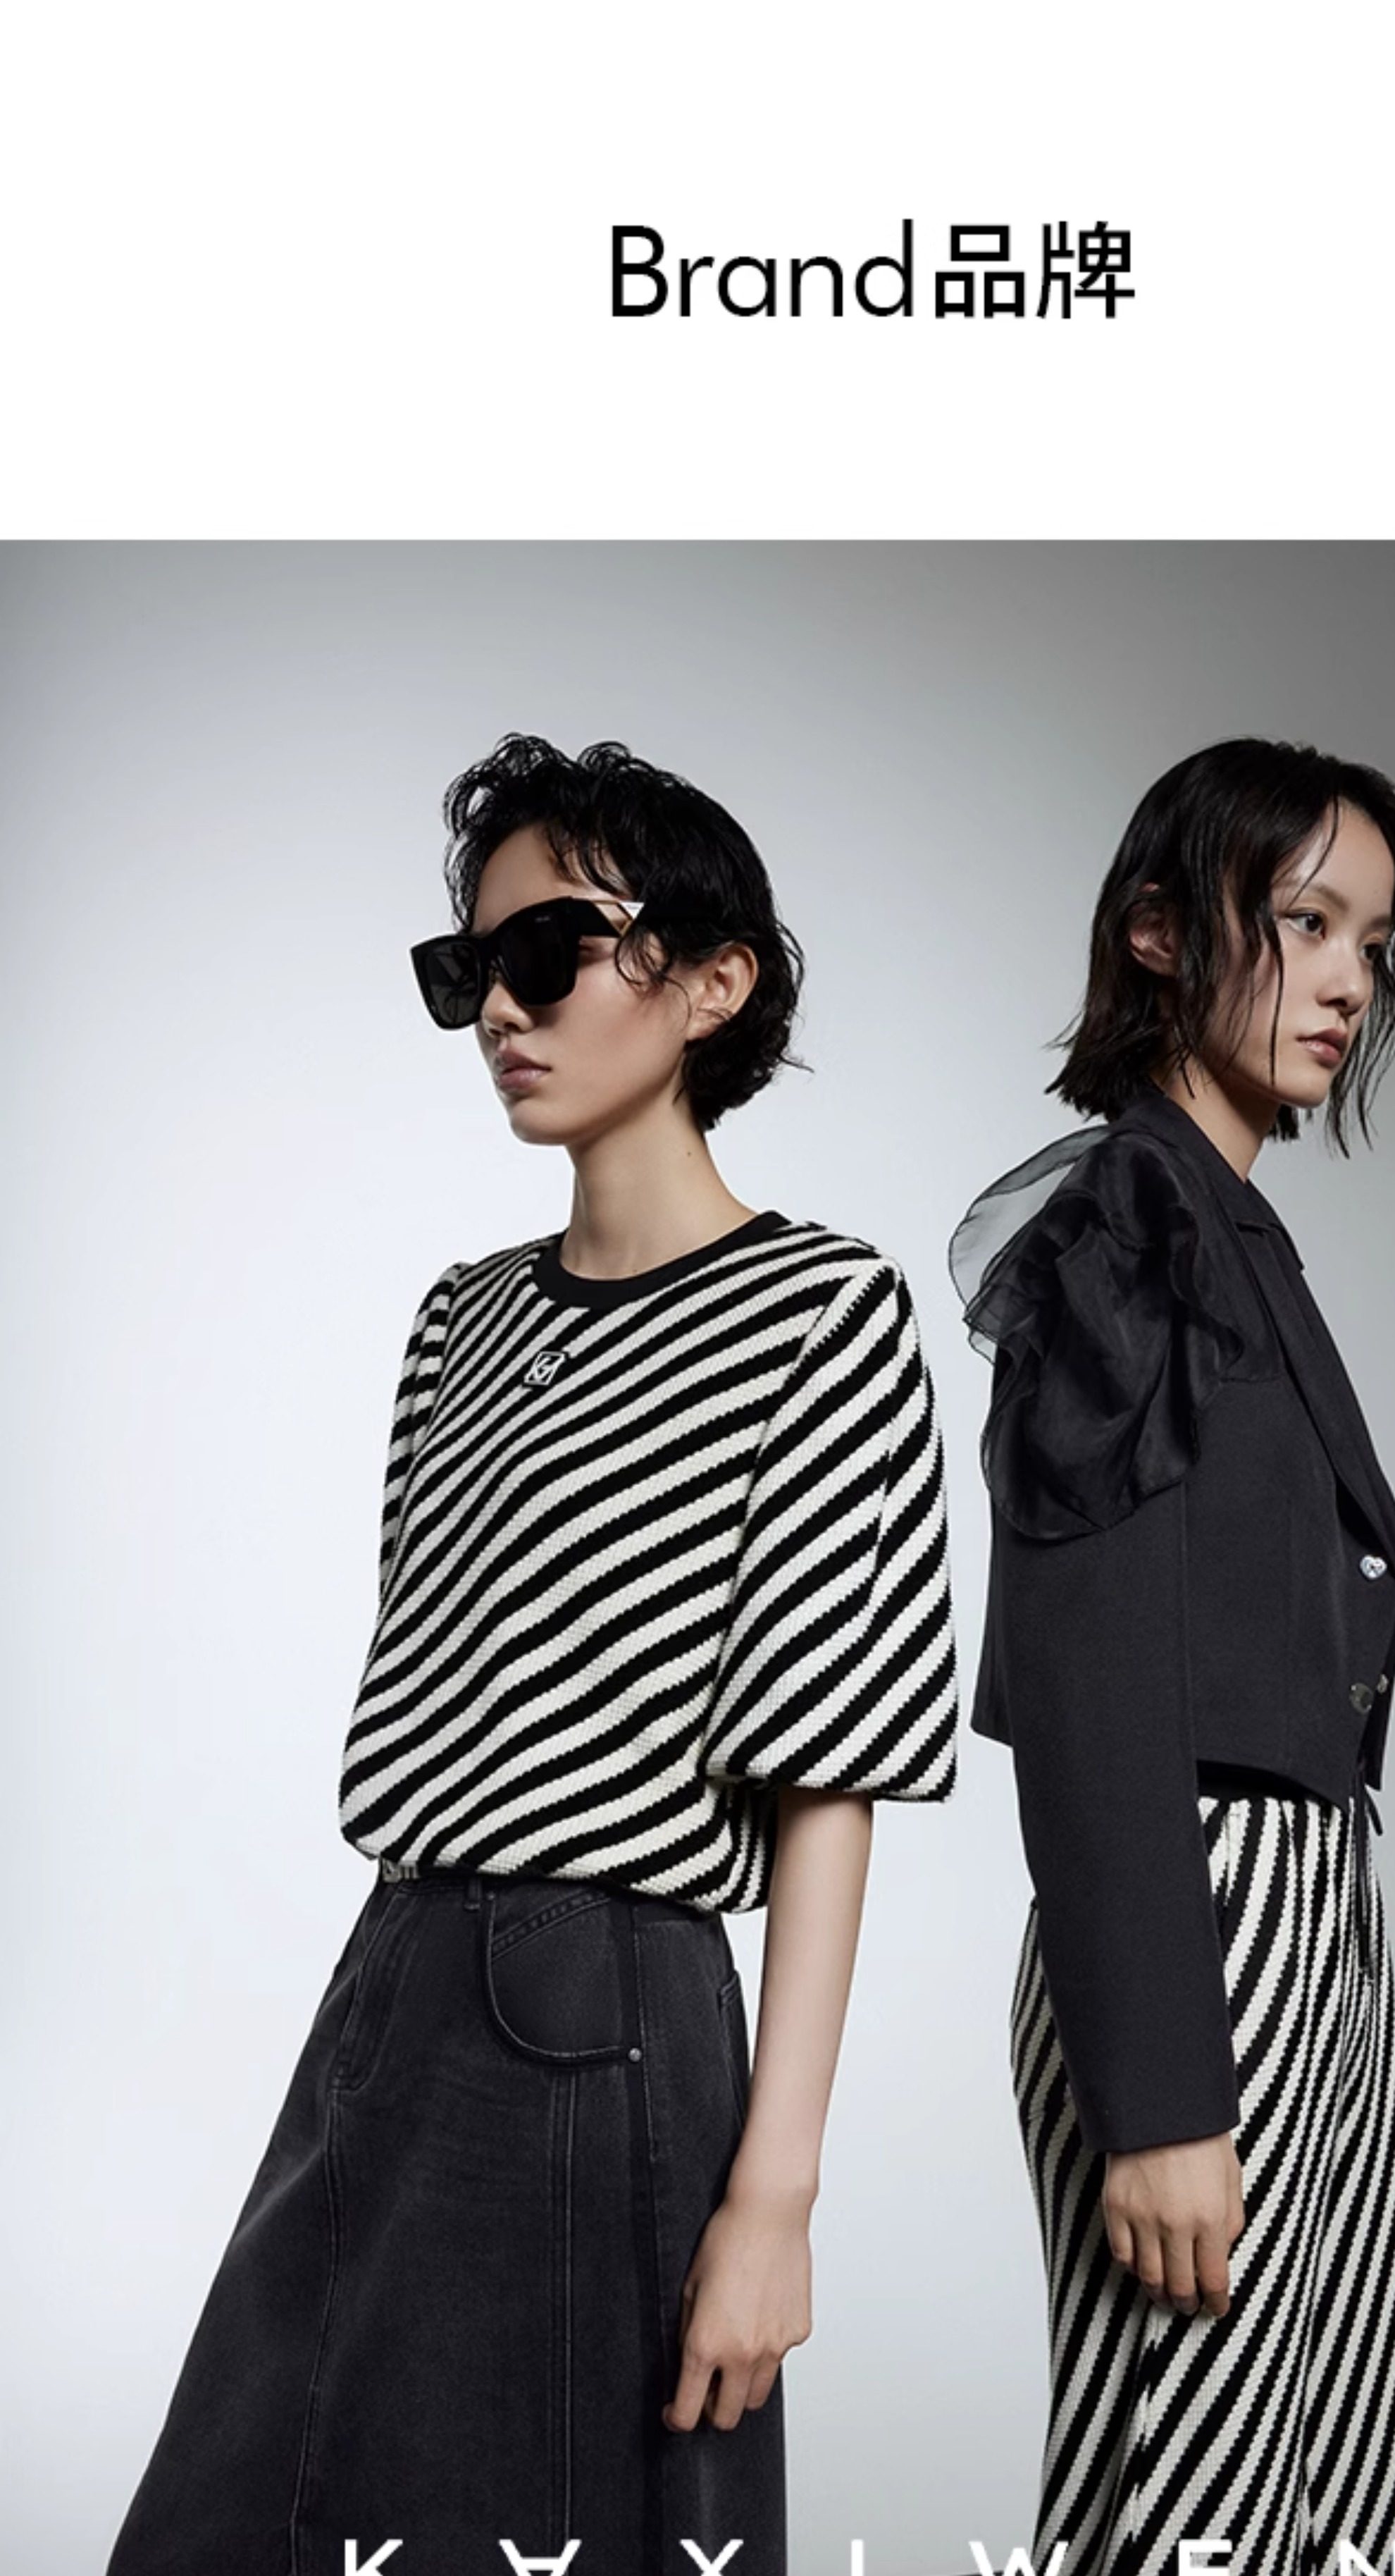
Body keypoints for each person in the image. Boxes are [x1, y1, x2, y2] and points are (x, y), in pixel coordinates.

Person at [108, 734, 958, 2576]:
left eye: (547, 952)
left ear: (712, 981)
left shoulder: (821, 1316)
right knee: (236, 2515)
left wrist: (776, 2201)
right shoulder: (460, 1324)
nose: (499, 1006)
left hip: (608, 2019)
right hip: (393, 1981)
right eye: (467, 970)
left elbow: (831, 1783)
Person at [948, 739, 1395, 2576]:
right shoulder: (1130, 1226)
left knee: (1346, 2481)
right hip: (1204, 1934)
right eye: (1306, 921)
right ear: (1161, 932)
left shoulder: (1224, 1225)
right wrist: (1160, 2099)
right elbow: (1089, 1685)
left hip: (1298, 1923)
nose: (1348, 980)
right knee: (1204, 2497)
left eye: (1373, 942)